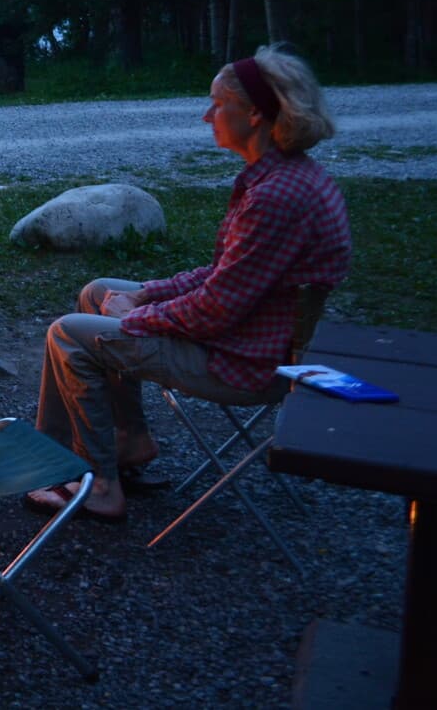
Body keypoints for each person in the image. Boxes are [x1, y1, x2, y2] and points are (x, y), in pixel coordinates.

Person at [24, 45, 351, 523]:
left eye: (219, 104)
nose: (207, 116)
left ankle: (97, 483)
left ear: (256, 114)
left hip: (242, 360)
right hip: (247, 336)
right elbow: (225, 275)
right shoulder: (281, 178)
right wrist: (143, 294)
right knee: (99, 291)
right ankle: (131, 439)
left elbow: (216, 308)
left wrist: (136, 317)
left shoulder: (277, 198)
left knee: (68, 334)